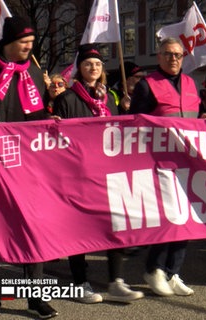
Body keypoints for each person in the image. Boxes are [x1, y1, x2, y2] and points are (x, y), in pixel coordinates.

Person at [0, 16, 58, 318]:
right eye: (24, 44)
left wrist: (52, 120)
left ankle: (36, 298)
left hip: (31, 163)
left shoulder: (33, 70)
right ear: (8, 43)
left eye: (32, 44)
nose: (30, 49)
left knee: (34, 225)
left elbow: (39, 113)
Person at [53, 44, 144, 304]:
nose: (93, 68)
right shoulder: (67, 99)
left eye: (97, 64)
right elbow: (56, 140)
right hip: (78, 175)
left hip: (108, 174)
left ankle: (116, 281)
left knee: (115, 225)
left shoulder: (110, 100)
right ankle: (80, 282)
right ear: (80, 69)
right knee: (79, 230)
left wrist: (126, 112)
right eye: (88, 64)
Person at [130, 37, 200, 296]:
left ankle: (173, 272)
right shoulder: (147, 85)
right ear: (158, 56)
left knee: (187, 218)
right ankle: (155, 268)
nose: (173, 59)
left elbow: (197, 117)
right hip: (159, 163)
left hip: (190, 162)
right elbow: (135, 124)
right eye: (168, 54)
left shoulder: (192, 84)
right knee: (169, 216)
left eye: (178, 55)